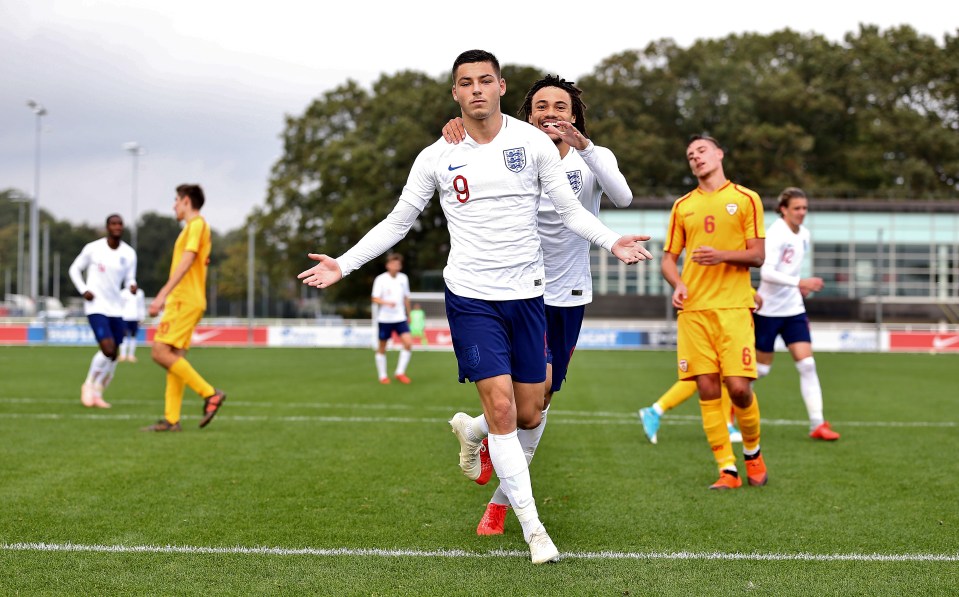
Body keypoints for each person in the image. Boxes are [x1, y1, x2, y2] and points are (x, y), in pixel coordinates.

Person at [298, 50, 653, 564]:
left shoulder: (532, 144)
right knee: (505, 409)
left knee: (531, 411)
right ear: (455, 93)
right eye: (466, 83)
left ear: (502, 86)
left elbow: (573, 209)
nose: (477, 90)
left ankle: (474, 432)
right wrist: (345, 264)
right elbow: (399, 221)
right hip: (470, 298)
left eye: (485, 80)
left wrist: (611, 243)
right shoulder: (436, 156)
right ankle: (534, 532)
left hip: (530, 296)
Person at [442, 74, 634, 536]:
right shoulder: (516, 153)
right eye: (541, 106)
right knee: (523, 404)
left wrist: (584, 146)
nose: (551, 113)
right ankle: (500, 508)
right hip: (516, 291)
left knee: (538, 404)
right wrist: (461, 128)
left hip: (566, 295)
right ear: (526, 115)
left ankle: (480, 444)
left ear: (574, 114)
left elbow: (623, 197)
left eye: (560, 106)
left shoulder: (593, 157)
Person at [661, 134, 766, 490]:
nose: (696, 158)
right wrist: (678, 284)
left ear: (720, 154)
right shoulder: (683, 206)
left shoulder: (746, 199)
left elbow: (757, 256)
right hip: (694, 311)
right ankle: (728, 469)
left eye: (701, 151)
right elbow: (668, 259)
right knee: (707, 388)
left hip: (734, 308)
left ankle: (752, 452)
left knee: (738, 389)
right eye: (690, 155)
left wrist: (721, 255)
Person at [754, 187, 840, 441]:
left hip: (793, 310)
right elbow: (766, 273)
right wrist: (799, 283)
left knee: (807, 364)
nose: (802, 213)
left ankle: (817, 424)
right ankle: (732, 404)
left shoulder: (804, 234)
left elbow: (791, 270)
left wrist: (798, 289)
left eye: (804, 208)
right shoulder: (775, 234)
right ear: (783, 209)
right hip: (768, 311)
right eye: (797, 208)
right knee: (761, 370)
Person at [142, 184, 225, 432]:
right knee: (174, 358)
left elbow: (188, 260)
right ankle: (171, 419)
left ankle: (210, 394)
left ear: (187, 201)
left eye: (176, 200)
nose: (174, 205)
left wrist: (161, 295)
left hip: (184, 300)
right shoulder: (194, 228)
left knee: (159, 352)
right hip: (190, 300)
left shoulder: (196, 225)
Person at [638, 292, 765, 445]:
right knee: (704, 374)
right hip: (709, 312)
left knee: (718, 375)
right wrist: (751, 292)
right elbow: (718, 275)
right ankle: (655, 410)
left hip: (716, 310)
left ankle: (725, 426)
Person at [68, 214, 138, 408]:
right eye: (113, 224)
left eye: (120, 224)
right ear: (107, 227)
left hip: (117, 308)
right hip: (96, 306)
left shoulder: (129, 253)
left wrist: (132, 285)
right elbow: (74, 269)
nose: (117, 227)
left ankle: (98, 391)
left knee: (114, 354)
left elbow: (130, 278)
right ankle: (88, 384)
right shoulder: (93, 249)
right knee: (108, 349)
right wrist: (84, 290)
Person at [371, 253, 413, 384]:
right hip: (385, 319)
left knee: (408, 343)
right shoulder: (380, 279)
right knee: (382, 347)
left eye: (399, 264)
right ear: (388, 265)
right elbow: (374, 298)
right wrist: (386, 303)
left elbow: (406, 297)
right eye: (394, 263)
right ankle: (382, 376)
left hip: (400, 318)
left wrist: (409, 314)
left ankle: (400, 372)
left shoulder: (403, 278)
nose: (397, 266)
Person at [118, 286, 146, 362]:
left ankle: (131, 355)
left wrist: (142, 317)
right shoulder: (123, 293)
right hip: (125, 317)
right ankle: (123, 355)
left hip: (135, 317)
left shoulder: (140, 293)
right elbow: (120, 305)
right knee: (124, 335)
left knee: (133, 336)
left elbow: (141, 306)